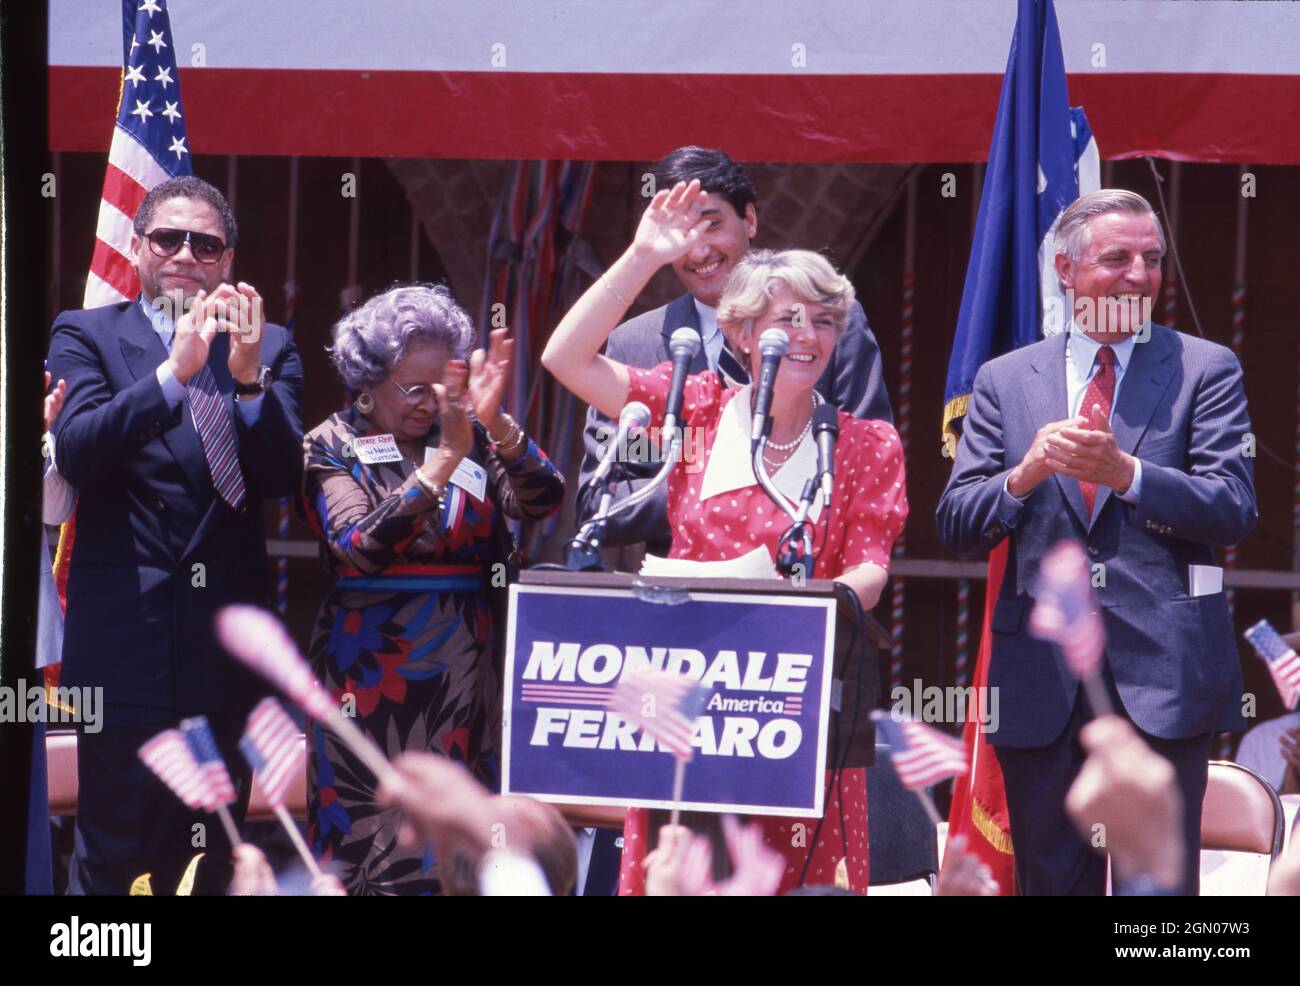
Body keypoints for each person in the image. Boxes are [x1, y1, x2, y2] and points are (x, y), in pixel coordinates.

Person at [542, 180, 908, 894]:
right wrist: (644, 257)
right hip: (688, 703)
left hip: (793, 706)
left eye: (824, 321)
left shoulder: (865, 443)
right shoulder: (696, 411)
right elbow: (566, 359)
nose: (807, 335)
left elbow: (870, 567)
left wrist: (798, 610)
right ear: (740, 335)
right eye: (785, 320)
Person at [936, 188, 1257, 895]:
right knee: (1052, 884)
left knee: (1158, 895)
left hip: (1164, 682)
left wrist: (1130, 475)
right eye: (1117, 258)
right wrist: (1023, 476)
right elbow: (957, 524)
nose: (1138, 275)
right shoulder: (1004, 381)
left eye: (1151, 260)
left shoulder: (1205, 369)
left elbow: (1234, 508)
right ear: (1065, 268)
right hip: (1041, 687)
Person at [47, 175, 304, 895]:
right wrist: (173, 373)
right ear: (137, 248)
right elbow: (78, 449)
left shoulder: (271, 343)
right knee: (115, 861)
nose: (186, 254)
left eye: (205, 243)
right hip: (128, 653)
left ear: (227, 261)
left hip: (224, 662)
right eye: (168, 238)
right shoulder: (87, 333)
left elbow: (284, 477)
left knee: (212, 862)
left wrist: (248, 381)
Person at [303, 284, 565, 895]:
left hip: (468, 668)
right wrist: (441, 462)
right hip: (371, 673)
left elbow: (543, 498)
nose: (429, 404)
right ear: (368, 379)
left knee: (464, 841)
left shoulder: (467, 427)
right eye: (412, 388)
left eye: (441, 386)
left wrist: (494, 422)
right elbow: (361, 547)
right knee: (371, 841)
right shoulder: (330, 445)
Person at [576, 146, 892, 557]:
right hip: (679, 595)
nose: (699, 251)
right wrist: (706, 482)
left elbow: (868, 469)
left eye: (712, 225)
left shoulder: (824, 324)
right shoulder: (636, 345)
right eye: (681, 235)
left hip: (802, 580)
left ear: (750, 219)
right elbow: (602, 501)